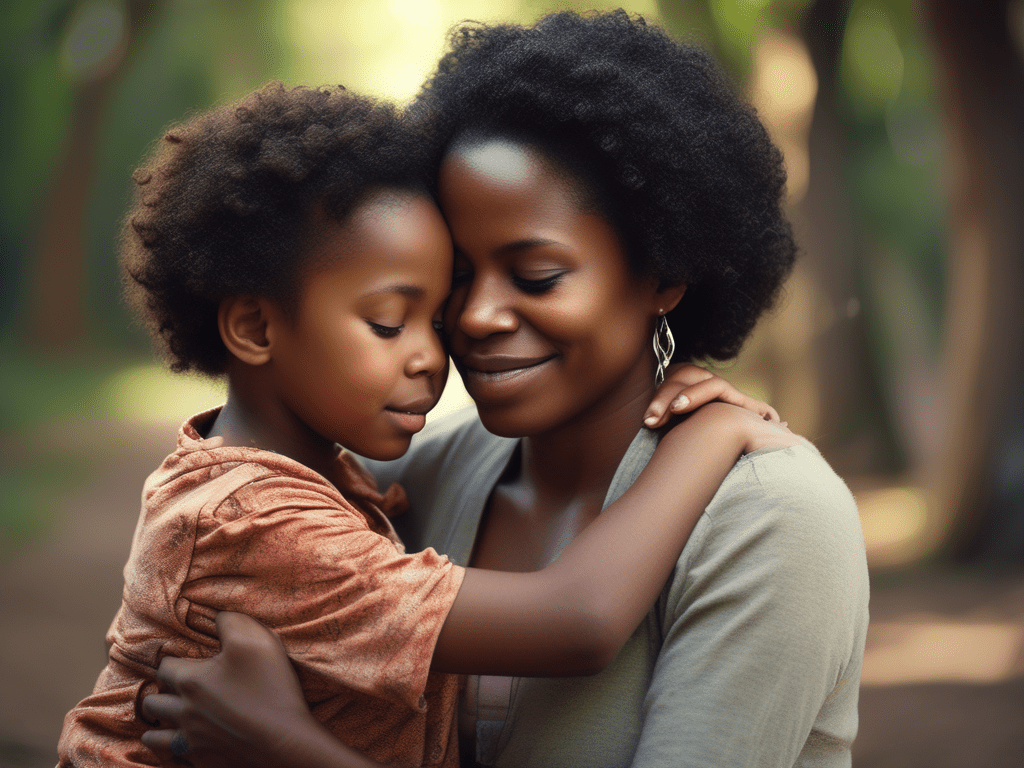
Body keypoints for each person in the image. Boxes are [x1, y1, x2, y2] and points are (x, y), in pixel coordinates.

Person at [140, 11, 869, 767]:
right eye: (454, 278)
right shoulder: (405, 480)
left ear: (663, 273)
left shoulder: (770, 517)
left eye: (536, 276)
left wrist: (283, 748)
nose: (475, 316)